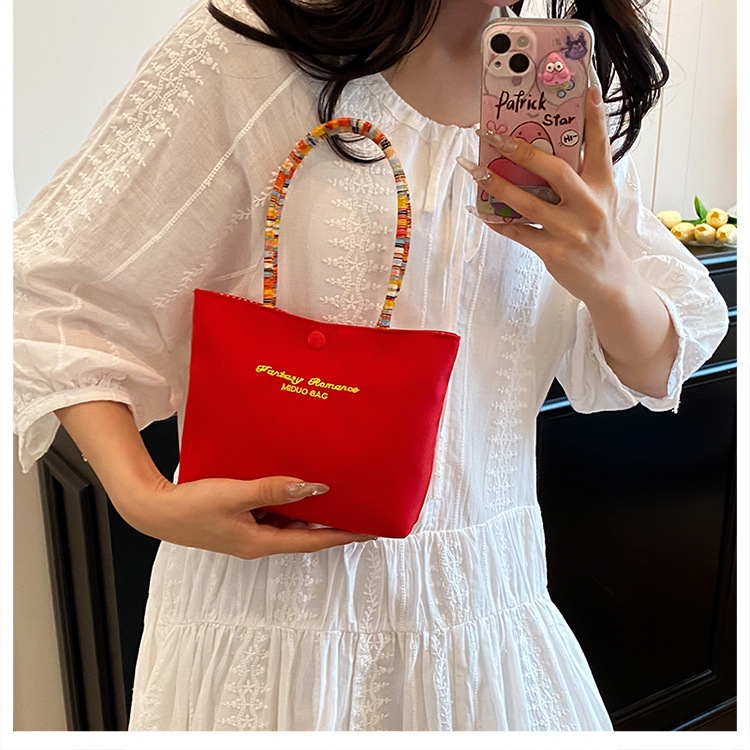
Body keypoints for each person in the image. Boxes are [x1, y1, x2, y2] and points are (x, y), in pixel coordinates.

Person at [13, 0, 729, 732]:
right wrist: (142, 500)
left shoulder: (555, 89)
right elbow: (52, 291)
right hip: (273, 617)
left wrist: (606, 272)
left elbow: (653, 365)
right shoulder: (250, 51)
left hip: (490, 610)